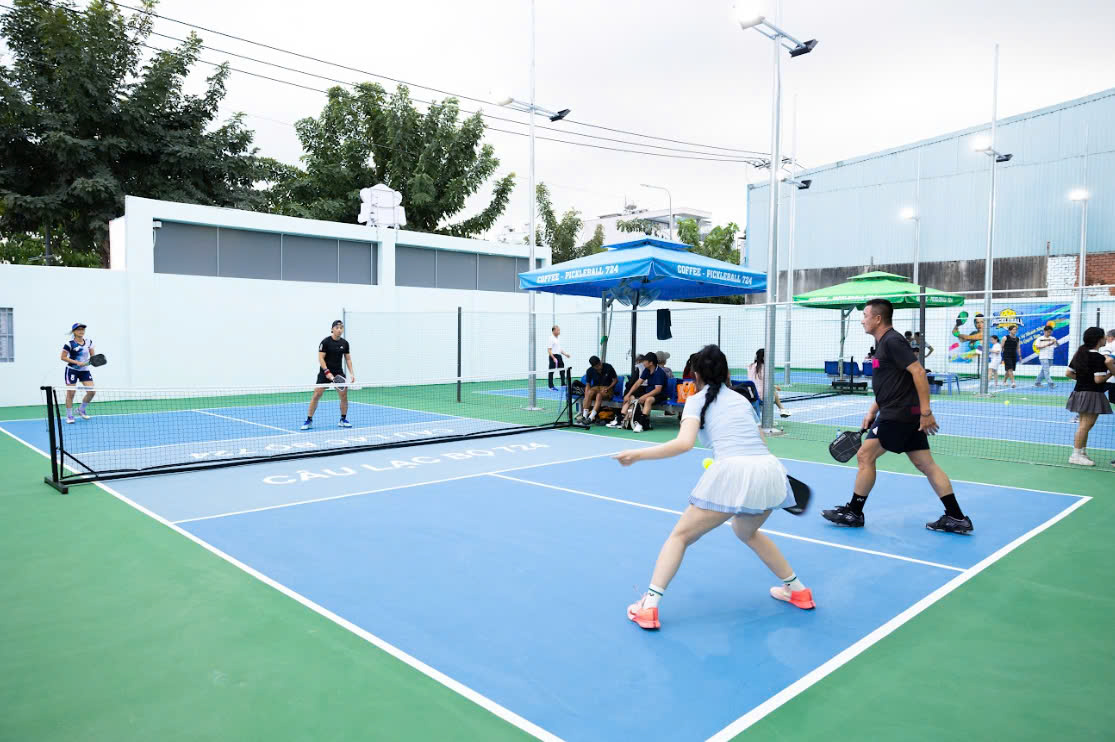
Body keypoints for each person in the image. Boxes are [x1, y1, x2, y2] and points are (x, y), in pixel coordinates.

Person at [614, 344, 814, 631]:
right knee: (745, 531)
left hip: (734, 472)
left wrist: (636, 455)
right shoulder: (742, 399)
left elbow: (683, 444)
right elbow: (760, 443)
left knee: (679, 537)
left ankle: (648, 608)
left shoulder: (696, 401)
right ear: (725, 371)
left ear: (696, 374)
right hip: (770, 471)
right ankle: (798, 590)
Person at [822, 298, 973, 534]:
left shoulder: (893, 341)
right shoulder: (883, 343)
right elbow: (892, 382)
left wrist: (926, 411)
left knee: (865, 456)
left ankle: (854, 512)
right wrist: (873, 410)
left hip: (898, 414)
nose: (862, 320)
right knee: (926, 464)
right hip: (899, 412)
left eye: (865, 315)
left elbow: (918, 372)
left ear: (877, 318)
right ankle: (956, 517)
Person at [1064, 327, 1115, 467]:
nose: (1106, 339)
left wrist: (1083, 379)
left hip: (1079, 393)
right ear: (1099, 339)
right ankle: (1075, 455)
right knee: (1085, 426)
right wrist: (1110, 373)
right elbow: (1098, 380)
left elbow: (1068, 373)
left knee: (1085, 425)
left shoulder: (1080, 354)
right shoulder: (1098, 358)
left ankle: (1082, 452)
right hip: (1092, 394)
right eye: (1104, 337)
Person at [301, 320, 355, 430]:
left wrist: (352, 373)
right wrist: (327, 372)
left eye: (341, 328)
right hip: (324, 373)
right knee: (317, 395)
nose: (339, 330)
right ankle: (309, 420)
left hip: (338, 373)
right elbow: (321, 358)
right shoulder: (325, 342)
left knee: (344, 396)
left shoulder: (345, 343)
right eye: (337, 328)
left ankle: (343, 419)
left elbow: (348, 359)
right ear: (332, 329)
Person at [608, 352, 666, 433]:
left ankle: (641, 424)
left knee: (648, 400)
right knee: (630, 397)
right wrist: (628, 394)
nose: (643, 362)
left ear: (651, 363)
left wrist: (644, 396)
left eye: (645, 361)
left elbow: (658, 390)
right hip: (649, 392)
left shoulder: (659, 373)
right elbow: (638, 383)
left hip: (660, 395)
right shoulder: (647, 370)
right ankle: (620, 420)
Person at [60, 322, 96, 424]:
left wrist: (91, 361)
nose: (81, 331)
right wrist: (77, 362)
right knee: (71, 393)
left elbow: (93, 357)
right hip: (72, 370)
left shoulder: (89, 342)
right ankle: (69, 415)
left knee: (92, 392)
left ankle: (81, 409)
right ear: (74, 332)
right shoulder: (69, 344)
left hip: (84, 370)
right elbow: (63, 357)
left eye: (82, 329)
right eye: (79, 329)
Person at [747, 349, 791, 418]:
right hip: (762, 397)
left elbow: (758, 381)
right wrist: (774, 386)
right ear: (764, 357)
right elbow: (768, 384)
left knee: (771, 389)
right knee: (773, 391)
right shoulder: (766, 368)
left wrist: (774, 385)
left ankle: (782, 410)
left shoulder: (750, 366)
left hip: (750, 395)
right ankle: (782, 409)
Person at [579, 355, 618, 424]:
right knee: (589, 393)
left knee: (599, 395)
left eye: (599, 364)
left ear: (600, 361)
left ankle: (591, 418)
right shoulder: (589, 370)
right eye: (597, 366)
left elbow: (615, 380)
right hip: (596, 388)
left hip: (607, 388)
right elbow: (588, 384)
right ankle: (584, 416)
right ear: (593, 367)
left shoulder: (608, 367)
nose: (599, 367)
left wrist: (608, 388)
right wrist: (586, 395)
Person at [548, 325, 571, 390]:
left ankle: (563, 384)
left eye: (559, 330)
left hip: (559, 356)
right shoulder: (551, 338)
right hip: (553, 356)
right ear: (554, 331)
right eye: (558, 330)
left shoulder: (557, 339)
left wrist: (566, 354)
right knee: (551, 371)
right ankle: (551, 386)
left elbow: (559, 349)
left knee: (562, 370)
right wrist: (553, 358)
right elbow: (549, 350)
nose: (559, 331)